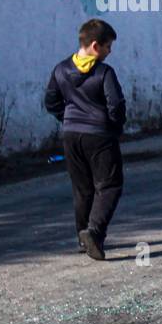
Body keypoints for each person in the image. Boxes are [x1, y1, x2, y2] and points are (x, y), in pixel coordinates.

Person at [43, 19, 126, 261]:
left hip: (71, 135)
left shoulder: (60, 69)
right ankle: (94, 232)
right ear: (94, 45)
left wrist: (67, 119)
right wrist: (114, 126)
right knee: (110, 185)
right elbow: (116, 104)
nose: (110, 51)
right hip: (100, 135)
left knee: (82, 189)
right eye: (108, 46)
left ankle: (83, 239)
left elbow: (51, 101)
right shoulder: (104, 72)